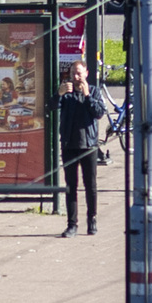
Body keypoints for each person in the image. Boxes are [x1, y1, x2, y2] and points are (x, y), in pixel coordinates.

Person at [55, 62, 108, 236]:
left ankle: (92, 219)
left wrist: (87, 96)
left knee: (90, 185)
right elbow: (51, 107)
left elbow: (99, 113)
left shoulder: (94, 91)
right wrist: (58, 94)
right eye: (72, 74)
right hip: (69, 144)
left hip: (89, 145)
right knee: (71, 186)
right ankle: (72, 224)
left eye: (78, 73)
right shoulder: (66, 93)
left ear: (86, 73)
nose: (75, 77)